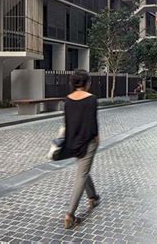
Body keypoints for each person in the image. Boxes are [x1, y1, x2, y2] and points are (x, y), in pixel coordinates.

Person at [63, 69, 100, 229]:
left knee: (83, 170)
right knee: (82, 174)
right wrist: (96, 138)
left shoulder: (67, 100)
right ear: (86, 83)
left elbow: (67, 123)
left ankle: (93, 196)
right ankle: (70, 214)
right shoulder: (91, 99)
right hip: (88, 141)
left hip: (73, 141)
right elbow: (92, 123)